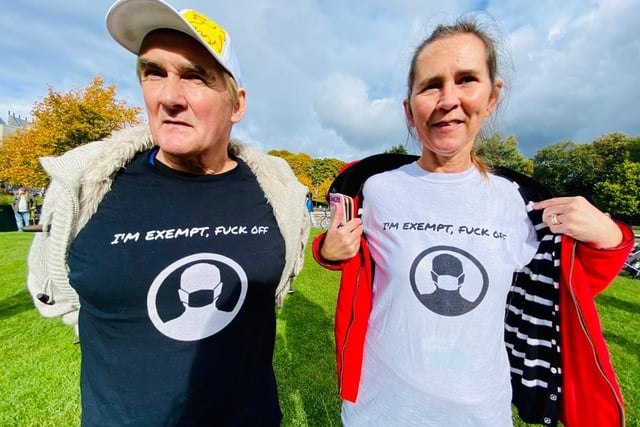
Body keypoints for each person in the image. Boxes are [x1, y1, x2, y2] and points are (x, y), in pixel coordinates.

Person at [312, 16, 634, 427]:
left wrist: (611, 239)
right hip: (378, 407)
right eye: (430, 85)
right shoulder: (375, 189)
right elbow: (343, 255)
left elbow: (570, 285)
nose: (448, 99)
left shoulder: (519, 203)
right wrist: (327, 252)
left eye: (466, 79)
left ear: (492, 96)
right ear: (409, 109)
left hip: (481, 411)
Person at [26, 0, 310, 425]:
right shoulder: (84, 186)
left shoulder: (277, 191)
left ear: (237, 104)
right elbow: (61, 294)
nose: (169, 97)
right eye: (153, 72)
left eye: (195, 76)